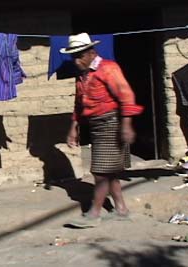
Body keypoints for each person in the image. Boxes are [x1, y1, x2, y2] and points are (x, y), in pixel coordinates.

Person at [60, 33, 144, 228]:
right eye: (74, 57)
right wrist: (74, 128)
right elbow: (79, 106)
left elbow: (126, 97)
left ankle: (94, 213)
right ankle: (121, 209)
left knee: (100, 172)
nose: (77, 60)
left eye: (80, 55)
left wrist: (126, 125)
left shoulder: (108, 69)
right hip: (97, 125)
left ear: (91, 53)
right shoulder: (82, 76)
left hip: (111, 124)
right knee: (110, 171)